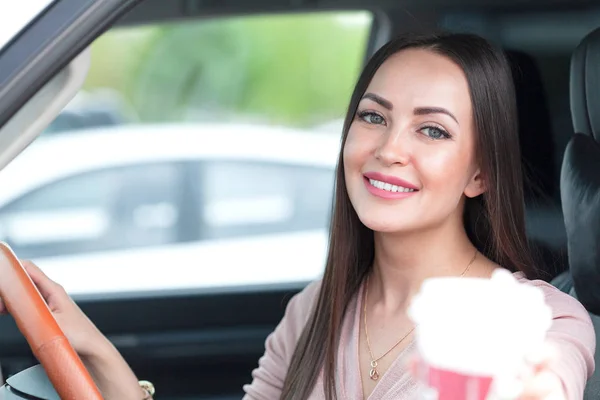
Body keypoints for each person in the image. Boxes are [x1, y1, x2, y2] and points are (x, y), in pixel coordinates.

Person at [0, 32, 595, 400]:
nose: (389, 148)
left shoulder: (543, 323)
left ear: (480, 175)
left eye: (432, 129)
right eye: (373, 117)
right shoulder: (315, 308)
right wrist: (92, 348)